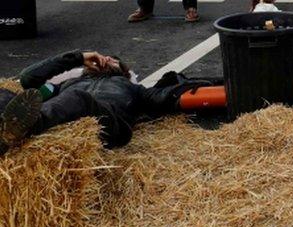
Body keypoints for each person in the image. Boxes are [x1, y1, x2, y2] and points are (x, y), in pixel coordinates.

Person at [0, 50, 207, 155]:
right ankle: (7, 129)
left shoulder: (133, 88)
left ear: (124, 72)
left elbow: (165, 97)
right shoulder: (68, 83)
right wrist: (78, 57)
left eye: (113, 60)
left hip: (110, 125)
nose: (106, 59)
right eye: (103, 57)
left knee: (79, 99)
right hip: (60, 115)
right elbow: (28, 78)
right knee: (4, 94)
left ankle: (27, 127)